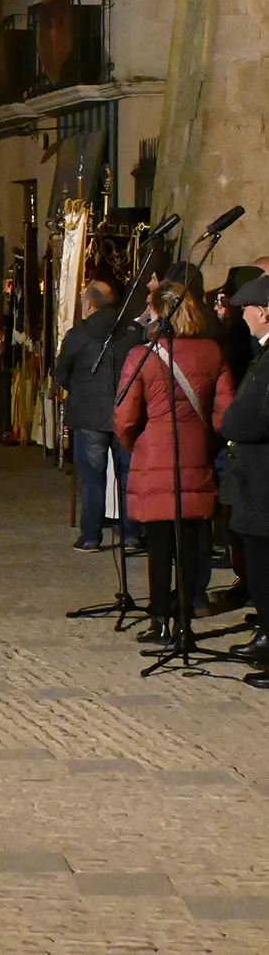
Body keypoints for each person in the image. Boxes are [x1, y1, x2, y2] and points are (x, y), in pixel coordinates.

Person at [114, 280, 237, 644]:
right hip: (196, 455)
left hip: (153, 454)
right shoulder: (212, 353)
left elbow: (124, 415)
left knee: (159, 545)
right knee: (192, 544)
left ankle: (159, 621)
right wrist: (209, 440)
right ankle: (185, 620)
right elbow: (225, 412)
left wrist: (136, 442)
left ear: (159, 312)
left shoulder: (142, 356)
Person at [54, 282, 142, 552]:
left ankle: (91, 536)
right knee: (128, 474)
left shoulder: (77, 335)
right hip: (127, 412)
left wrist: (82, 392)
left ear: (89, 303)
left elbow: (61, 374)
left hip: (90, 415)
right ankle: (131, 535)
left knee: (92, 477)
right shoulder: (132, 332)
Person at [216, 274, 269, 679]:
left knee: (263, 565)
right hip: (256, 479)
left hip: (263, 481)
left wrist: (231, 422)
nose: (244, 315)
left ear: (264, 312)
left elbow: (253, 416)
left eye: (248, 308)